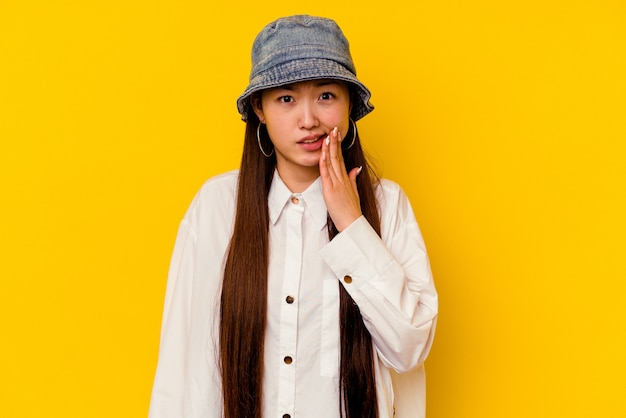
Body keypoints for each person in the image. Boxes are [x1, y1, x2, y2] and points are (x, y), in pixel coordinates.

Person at [148, 14, 438, 418]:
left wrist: (352, 225)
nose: (309, 120)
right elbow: (180, 371)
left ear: (349, 104)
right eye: (286, 99)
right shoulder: (216, 208)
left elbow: (409, 348)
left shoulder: (386, 207)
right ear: (260, 110)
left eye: (325, 96)